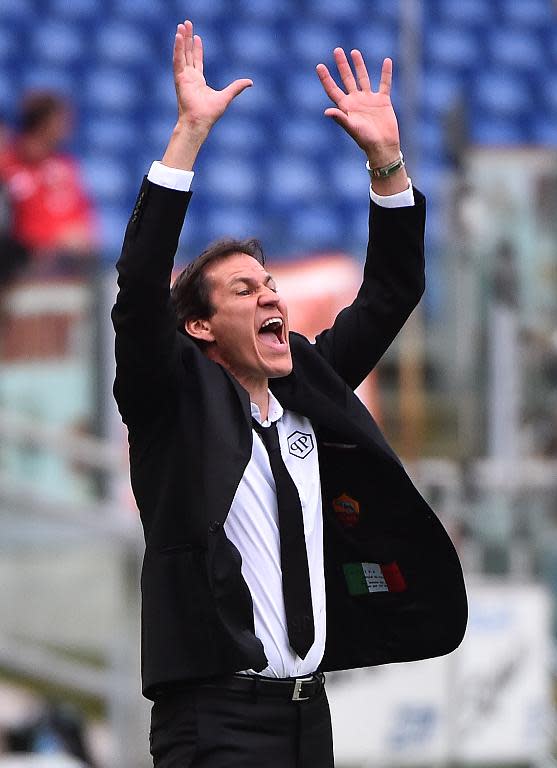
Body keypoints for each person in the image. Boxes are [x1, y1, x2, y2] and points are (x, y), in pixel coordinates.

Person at [112, 20, 467, 768]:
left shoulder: (307, 382)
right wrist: (187, 137)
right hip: (214, 718)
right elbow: (141, 287)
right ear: (201, 326)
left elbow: (392, 290)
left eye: (270, 283)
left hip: (309, 717)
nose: (270, 295)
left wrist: (386, 163)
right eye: (245, 289)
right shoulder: (171, 402)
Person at [0, 91, 97, 276]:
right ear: (45, 124)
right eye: (61, 121)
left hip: (68, 257)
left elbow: (82, 216)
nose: (68, 127)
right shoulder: (7, 166)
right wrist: (55, 238)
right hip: (22, 258)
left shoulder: (65, 167)